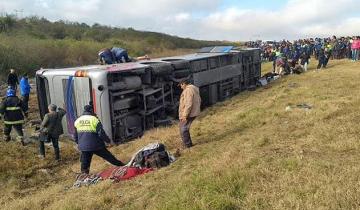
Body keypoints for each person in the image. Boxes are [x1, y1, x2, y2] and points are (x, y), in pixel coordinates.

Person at [74, 105, 125, 174]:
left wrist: (79, 143)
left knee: (85, 162)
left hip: (84, 147)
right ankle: (121, 165)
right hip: (96, 145)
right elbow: (101, 133)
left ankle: (84, 175)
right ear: (91, 110)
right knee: (109, 157)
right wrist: (108, 141)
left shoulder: (78, 120)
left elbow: (75, 135)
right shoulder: (94, 119)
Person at [178, 79, 201, 148]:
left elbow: (188, 103)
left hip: (189, 113)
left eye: (181, 85)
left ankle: (187, 145)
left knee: (183, 128)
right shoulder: (194, 88)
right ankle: (187, 144)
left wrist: (185, 115)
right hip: (193, 111)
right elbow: (199, 99)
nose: (181, 87)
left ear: (184, 84)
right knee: (183, 127)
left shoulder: (188, 90)